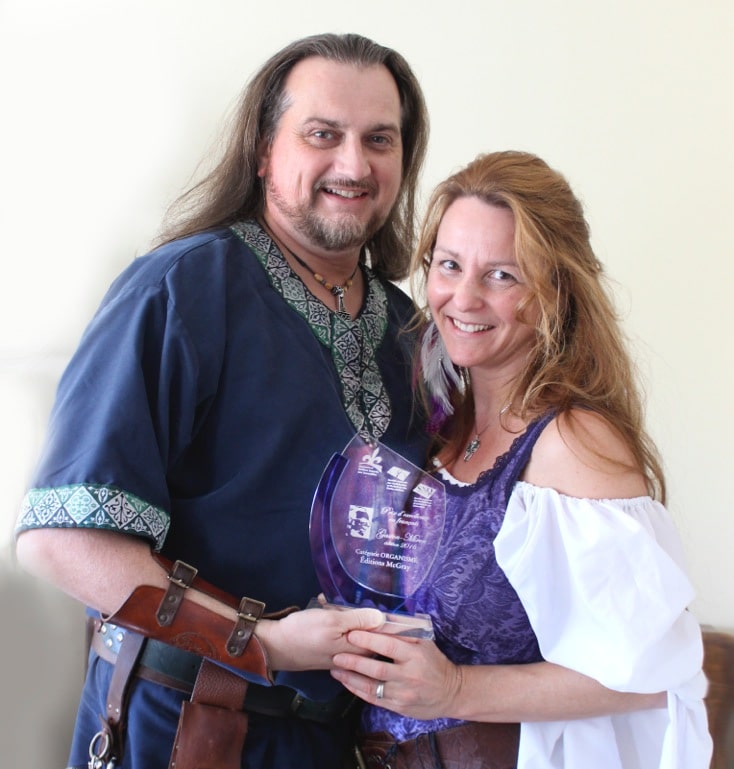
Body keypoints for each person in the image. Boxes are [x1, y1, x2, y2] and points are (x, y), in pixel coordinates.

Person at [14, 32, 430, 769]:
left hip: (337, 740)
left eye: (379, 139)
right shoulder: (180, 290)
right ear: (264, 150)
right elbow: (63, 540)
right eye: (323, 134)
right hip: (180, 729)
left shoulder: (411, 331)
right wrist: (261, 641)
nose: (354, 164)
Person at [330, 151, 713, 768]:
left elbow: (651, 670)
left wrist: (457, 689)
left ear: (555, 291)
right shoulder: (441, 425)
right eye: (449, 265)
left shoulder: (572, 443)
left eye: (502, 276)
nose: (464, 297)